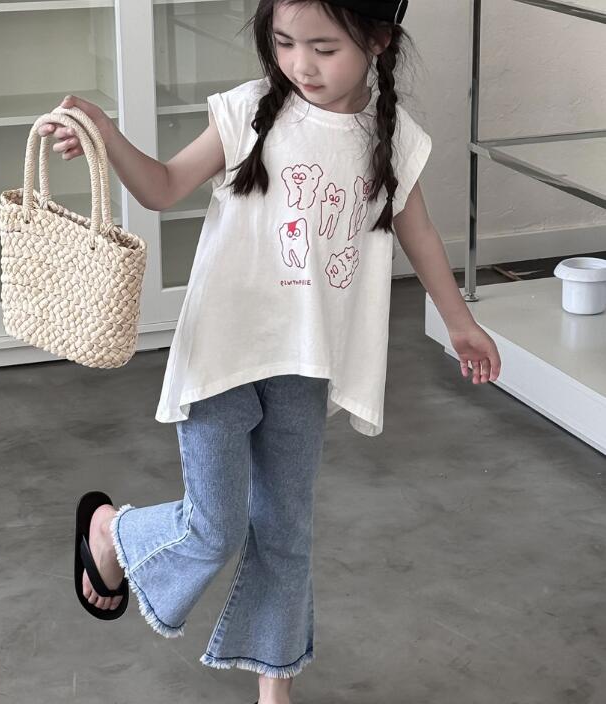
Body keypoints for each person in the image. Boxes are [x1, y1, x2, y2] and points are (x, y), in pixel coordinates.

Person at [43, 1, 502, 702]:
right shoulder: (250, 110)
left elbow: (420, 234)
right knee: (214, 530)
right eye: (284, 43)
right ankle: (110, 531)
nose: (300, 65)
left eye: (323, 48)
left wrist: (459, 321)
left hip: (305, 365)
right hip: (222, 355)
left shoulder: (394, 139)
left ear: (379, 41)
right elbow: (163, 187)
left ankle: (273, 688)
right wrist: (106, 134)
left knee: (286, 535)